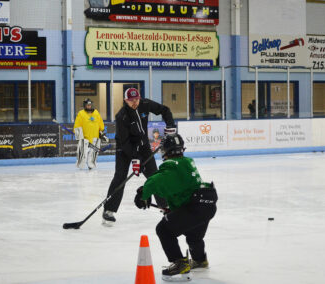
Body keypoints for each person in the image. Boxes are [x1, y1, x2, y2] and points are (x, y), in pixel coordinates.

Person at [134, 134, 218, 282]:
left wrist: (142, 194)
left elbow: (154, 180)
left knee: (163, 229)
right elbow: (183, 189)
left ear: (165, 150)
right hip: (207, 204)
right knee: (193, 235)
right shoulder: (187, 162)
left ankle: (179, 263)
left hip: (195, 206)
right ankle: (199, 260)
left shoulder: (171, 165)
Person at [102, 88, 176, 225]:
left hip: (143, 146)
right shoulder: (122, 116)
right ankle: (108, 210)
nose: (134, 102)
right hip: (124, 149)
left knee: (155, 176)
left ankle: (166, 207)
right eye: (131, 100)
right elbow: (125, 142)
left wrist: (171, 125)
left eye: (136, 99)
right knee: (120, 177)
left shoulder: (145, 104)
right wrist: (136, 159)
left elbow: (165, 110)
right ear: (125, 100)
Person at [73, 98, 108, 170]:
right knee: (82, 155)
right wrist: (79, 136)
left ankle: (91, 166)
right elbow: (77, 126)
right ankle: (81, 167)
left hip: (95, 139)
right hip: (85, 139)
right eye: (87, 105)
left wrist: (102, 133)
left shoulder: (96, 113)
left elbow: (100, 124)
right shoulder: (81, 113)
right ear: (84, 105)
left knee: (93, 154)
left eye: (90, 105)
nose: (89, 106)